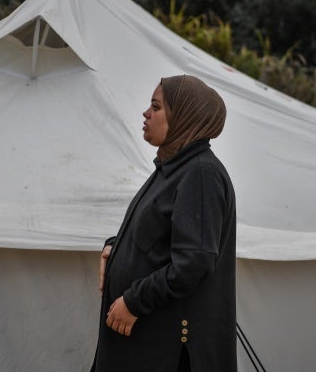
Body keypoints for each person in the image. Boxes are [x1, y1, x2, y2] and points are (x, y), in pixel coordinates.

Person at [91, 75, 237, 372]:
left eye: (156, 107)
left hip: (168, 354)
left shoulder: (200, 173)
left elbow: (194, 261)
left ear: (183, 117)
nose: (146, 113)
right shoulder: (173, 169)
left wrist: (134, 301)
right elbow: (156, 237)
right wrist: (115, 248)